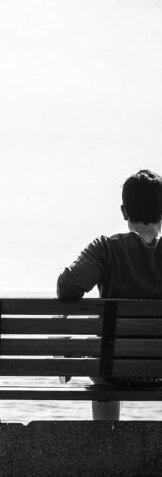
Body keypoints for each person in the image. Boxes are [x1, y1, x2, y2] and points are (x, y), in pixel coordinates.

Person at [57, 169, 162, 420]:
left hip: (112, 370)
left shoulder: (105, 248)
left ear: (124, 211)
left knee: (99, 355)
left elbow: (68, 286)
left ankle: (107, 437)